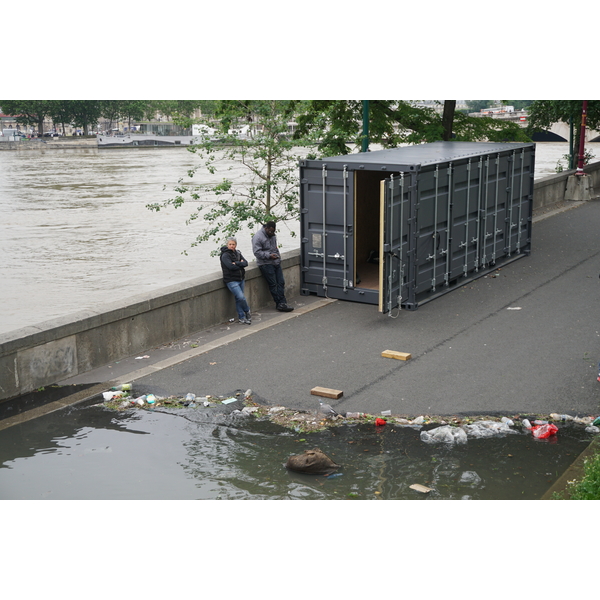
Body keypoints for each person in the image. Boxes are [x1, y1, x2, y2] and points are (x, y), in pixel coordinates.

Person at [252, 220, 294, 312]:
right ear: (266, 228)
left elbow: (275, 248)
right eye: (270, 231)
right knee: (273, 284)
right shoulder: (257, 237)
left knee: (281, 282)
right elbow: (257, 252)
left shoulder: (272, 236)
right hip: (265, 264)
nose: (272, 233)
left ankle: (283, 302)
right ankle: (280, 303)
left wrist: (277, 258)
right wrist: (269, 256)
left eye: (273, 231)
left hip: (275, 262)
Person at [220, 237, 252, 324]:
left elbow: (245, 263)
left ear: (236, 245)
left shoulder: (238, 253)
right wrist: (240, 264)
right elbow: (230, 267)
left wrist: (237, 263)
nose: (231, 246)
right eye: (230, 244)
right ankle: (247, 311)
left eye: (233, 244)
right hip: (231, 280)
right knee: (241, 297)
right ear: (227, 245)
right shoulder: (225, 255)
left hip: (241, 278)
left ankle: (242, 317)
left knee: (239, 299)